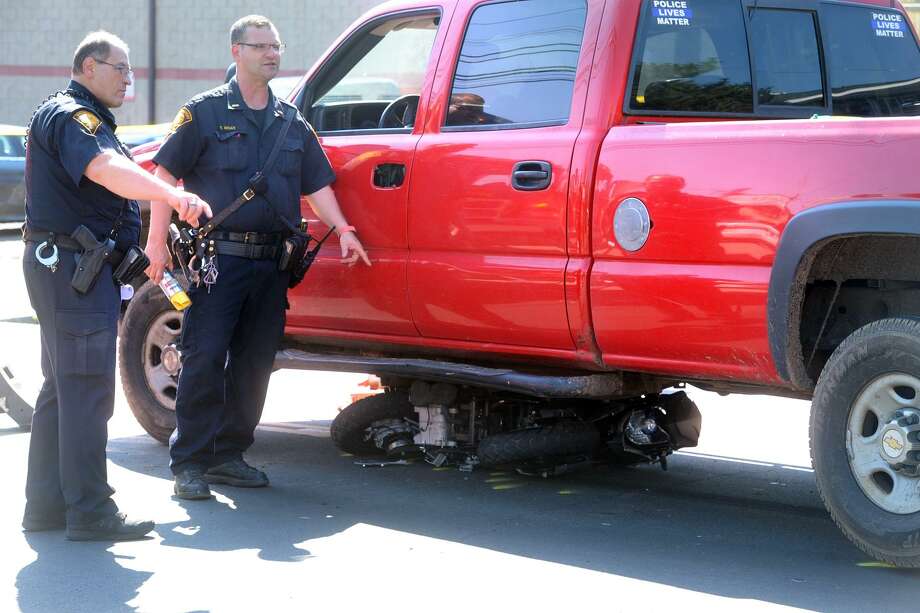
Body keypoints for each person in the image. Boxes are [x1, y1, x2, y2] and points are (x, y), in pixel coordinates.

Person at [145, 15, 370, 500]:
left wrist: (345, 229)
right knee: (204, 359)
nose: (272, 53)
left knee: (254, 363)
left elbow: (318, 184)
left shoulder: (291, 121)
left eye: (277, 46)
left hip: (271, 265)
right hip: (217, 263)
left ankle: (230, 455)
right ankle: (190, 464)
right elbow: (162, 178)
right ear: (237, 52)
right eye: (261, 46)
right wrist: (156, 242)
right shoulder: (203, 113)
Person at [22, 31, 212, 540]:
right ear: (87, 66)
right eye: (119, 68)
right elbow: (106, 171)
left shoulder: (85, 118)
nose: (129, 78)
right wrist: (172, 194)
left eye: (132, 69)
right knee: (84, 390)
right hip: (71, 272)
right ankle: (90, 512)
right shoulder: (72, 117)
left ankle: (46, 507)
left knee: (62, 389)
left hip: (66, 268)